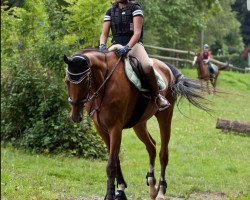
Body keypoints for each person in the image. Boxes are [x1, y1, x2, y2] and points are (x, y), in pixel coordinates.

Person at [99, 0, 170, 111]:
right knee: (101, 65)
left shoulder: (135, 9)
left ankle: (157, 96)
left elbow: (137, 33)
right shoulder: (110, 12)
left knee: (147, 66)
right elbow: (104, 34)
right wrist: (102, 46)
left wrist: (127, 47)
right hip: (115, 45)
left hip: (134, 45)